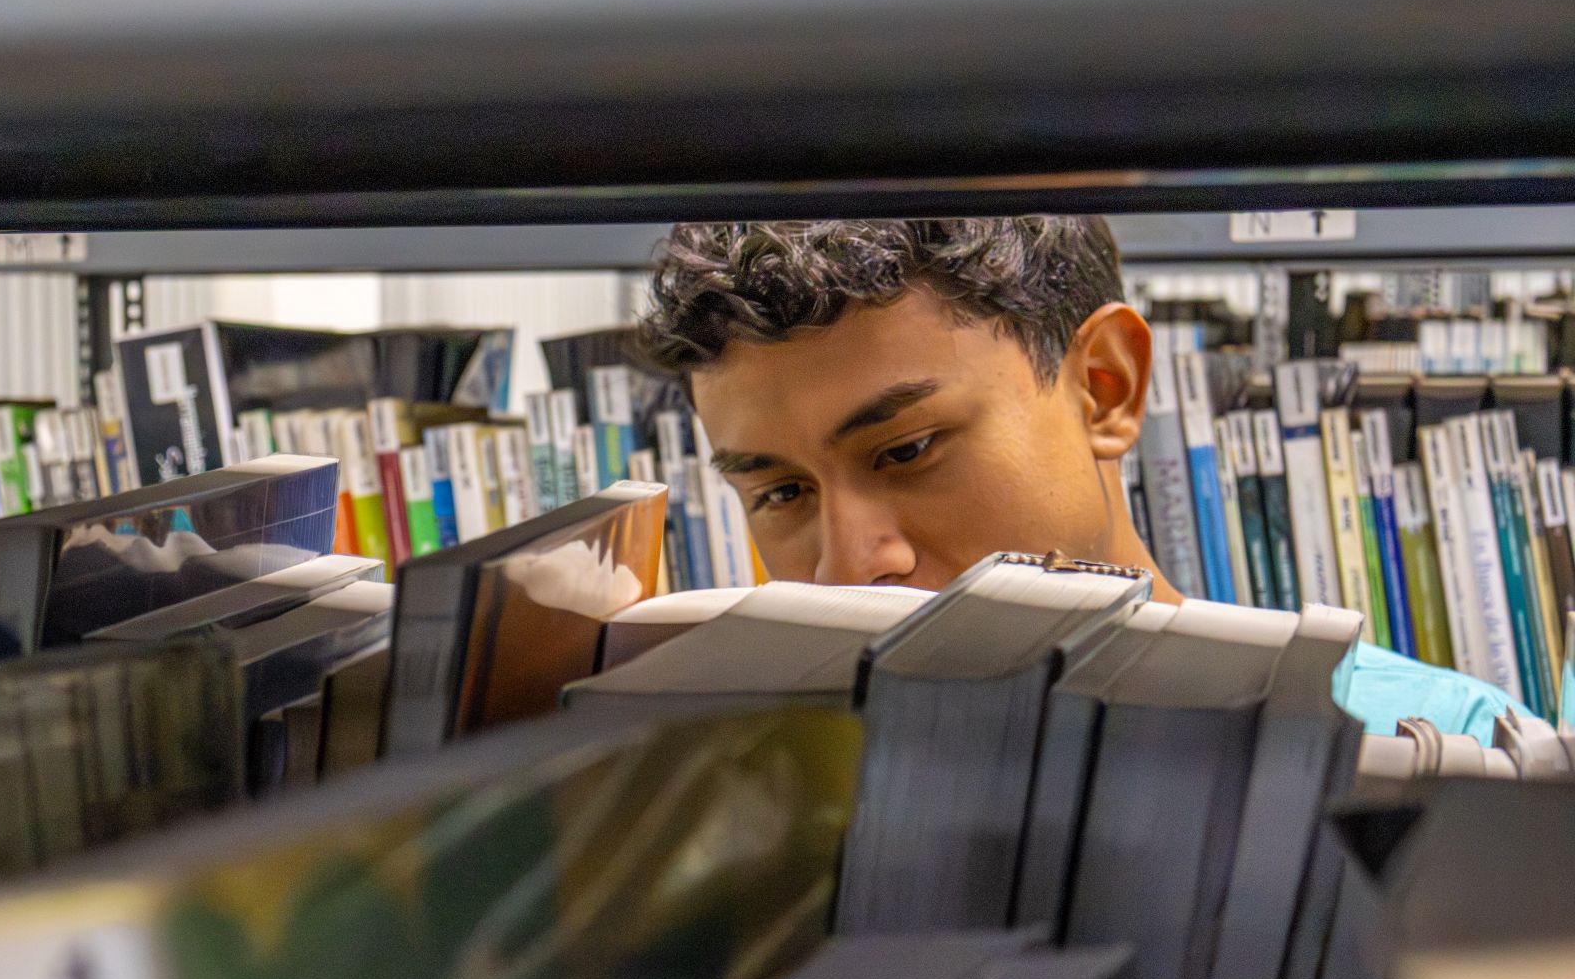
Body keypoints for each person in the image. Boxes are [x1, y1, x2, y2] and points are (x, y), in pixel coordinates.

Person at [640, 216, 1529, 743]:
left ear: (1105, 387)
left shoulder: (1445, 751)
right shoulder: (762, 800)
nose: (851, 567)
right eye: (781, 493)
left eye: (908, 451)